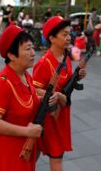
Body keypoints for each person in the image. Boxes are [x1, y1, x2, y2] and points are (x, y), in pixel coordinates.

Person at [0, 25, 43, 171]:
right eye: (28, 49)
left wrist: (46, 100)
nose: (33, 53)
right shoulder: (3, 82)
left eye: (33, 48)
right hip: (7, 153)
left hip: (24, 149)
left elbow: (28, 100)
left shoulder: (25, 75)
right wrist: (27, 132)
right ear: (11, 55)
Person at [32, 16, 86, 171]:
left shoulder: (65, 56)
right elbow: (33, 89)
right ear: (51, 38)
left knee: (36, 153)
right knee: (56, 157)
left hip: (61, 113)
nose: (69, 37)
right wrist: (54, 96)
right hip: (48, 117)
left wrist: (77, 76)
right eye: (64, 34)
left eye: (69, 33)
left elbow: (66, 82)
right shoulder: (44, 63)